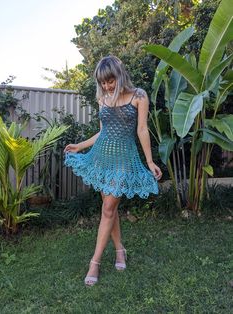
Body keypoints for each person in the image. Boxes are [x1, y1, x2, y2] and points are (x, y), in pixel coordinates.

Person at [64, 55, 162, 286]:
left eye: (110, 81)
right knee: (110, 208)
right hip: (102, 158)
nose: (107, 86)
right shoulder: (103, 99)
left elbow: (142, 130)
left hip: (124, 160)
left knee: (108, 207)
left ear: (120, 76)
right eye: (103, 83)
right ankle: (120, 250)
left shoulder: (138, 96)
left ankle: (94, 262)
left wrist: (149, 162)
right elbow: (103, 132)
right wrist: (80, 145)